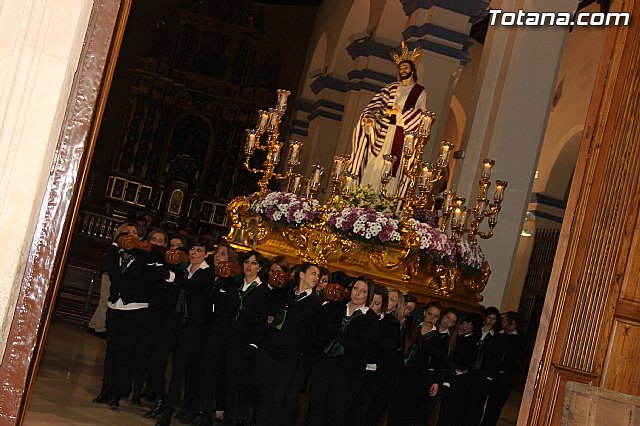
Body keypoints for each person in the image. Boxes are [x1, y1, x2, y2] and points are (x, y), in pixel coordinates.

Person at [145, 236, 216, 426]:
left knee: (178, 369)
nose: (193, 253)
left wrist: (171, 277)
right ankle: (161, 397)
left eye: (199, 250)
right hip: (174, 320)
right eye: (192, 249)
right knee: (156, 359)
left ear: (207, 254)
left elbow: (191, 286)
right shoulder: (184, 268)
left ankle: (167, 412)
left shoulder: (208, 274)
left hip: (191, 326)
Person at [200, 250, 271, 425]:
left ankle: (229, 419)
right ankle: (205, 415)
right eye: (247, 262)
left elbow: (261, 321)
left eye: (254, 263)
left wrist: (254, 343)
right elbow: (217, 308)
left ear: (260, 267)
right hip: (219, 335)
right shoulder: (233, 282)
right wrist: (223, 288)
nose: (249, 266)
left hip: (240, 341)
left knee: (231, 382)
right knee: (210, 376)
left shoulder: (263, 291)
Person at [349, 42, 427, 194]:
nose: (402, 70)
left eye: (405, 67)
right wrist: (370, 118)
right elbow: (374, 106)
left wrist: (398, 113)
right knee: (375, 163)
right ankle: (366, 193)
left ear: (412, 70)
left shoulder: (419, 91)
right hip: (382, 132)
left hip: (402, 134)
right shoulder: (390, 88)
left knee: (393, 168)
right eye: (400, 68)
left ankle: (386, 197)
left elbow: (422, 115)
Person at [254, 262, 323, 426]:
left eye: (318, 276)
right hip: (270, 348)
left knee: (278, 397)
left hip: (290, 355)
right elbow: (267, 308)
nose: (317, 278)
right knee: (263, 393)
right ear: (301, 275)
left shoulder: (314, 300)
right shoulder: (285, 291)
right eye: (313, 274)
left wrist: (290, 300)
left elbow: (300, 317)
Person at [307, 277, 380, 426]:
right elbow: (319, 333)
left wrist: (336, 333)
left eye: (363, 291)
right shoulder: (336, 308)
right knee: (316, 408)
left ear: (369, 296)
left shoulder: (370, 319)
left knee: (336, 413)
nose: (357, 293)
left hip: (348, 373)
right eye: (355, 289)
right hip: (324, 367)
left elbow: (361, 347)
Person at [480, 311, 525, 426]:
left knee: (495, 404)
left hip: (505, 375)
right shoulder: (497, 334)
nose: (507, 325)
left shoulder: (518, 338)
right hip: (491, 372)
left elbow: (512, 355)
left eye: (510, 323)